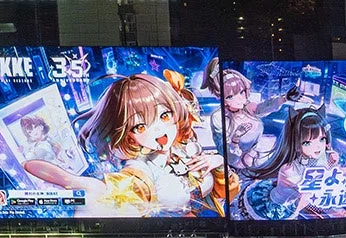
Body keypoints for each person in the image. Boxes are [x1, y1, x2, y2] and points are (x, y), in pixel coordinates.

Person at [21, 71, 220, 218]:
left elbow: (223, 190)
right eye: (140, 126)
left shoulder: (183, 146)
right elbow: (125, 190)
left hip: (219, 223)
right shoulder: (140, 169)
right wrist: (98, 190)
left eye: (165, 115)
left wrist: (218, 162)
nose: (160, 133)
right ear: (127, 135)